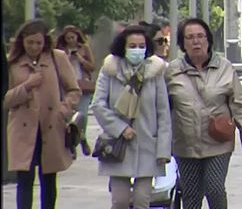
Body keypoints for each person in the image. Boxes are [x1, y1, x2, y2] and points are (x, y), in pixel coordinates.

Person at [166, 18, 242, 208]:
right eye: (190, 37)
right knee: (191, 196)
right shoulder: (172, 72)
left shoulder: (224, 68)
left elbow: (240, 104)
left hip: (218, 142)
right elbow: (162, 109)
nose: (196, 41)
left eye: (200, 36)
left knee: (214, 188)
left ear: (208, 40)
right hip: (186, 145)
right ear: (182, 43)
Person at [91, 25, 172, 209]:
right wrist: (120, 128)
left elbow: (163, 113)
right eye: (132, 46)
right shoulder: (110, 70)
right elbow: (98, 104)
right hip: (118, 145)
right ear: (123, 47)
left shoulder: (156, 72)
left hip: (147, 145)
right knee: (119, 201)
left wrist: (163, 150)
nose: (137, 50)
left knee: (142, 200)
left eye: (141, 46)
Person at [4, 19, 81, 209]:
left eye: (38, 43)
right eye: (30, 42)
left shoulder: (57, 58)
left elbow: (74, 90)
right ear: (22, 41)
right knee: (25, 180)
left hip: (50, 126)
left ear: (44, 41)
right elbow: (7, 99)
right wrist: (27, 86)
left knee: (48, 178)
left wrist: (63, 110)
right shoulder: (12, 63)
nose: (34, 47)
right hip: (23, 130)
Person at [56, 25, 96, 156]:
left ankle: (81, 137)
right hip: (66, 87)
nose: (70, 40)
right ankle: (74, 142)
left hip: (82, 86)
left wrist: (80, 59)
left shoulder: (84, 48)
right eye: (68, 38)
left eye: (72, 37)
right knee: (68, 117)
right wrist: (66, 58)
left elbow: (92, 67)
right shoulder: (60, 51)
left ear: (77, 37)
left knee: (82, 115)